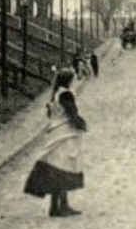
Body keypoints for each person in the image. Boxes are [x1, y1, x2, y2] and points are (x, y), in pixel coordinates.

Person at [23, 68, 89, 217]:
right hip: (65, 134)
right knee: (64, 169)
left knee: (56, 170)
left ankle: (55, 206)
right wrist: (81, 124)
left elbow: (51, 115)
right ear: (68, 80)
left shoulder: (55, 94)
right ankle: (62, 205)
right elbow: (72, 113)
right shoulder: (66, 94)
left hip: (55, 133)